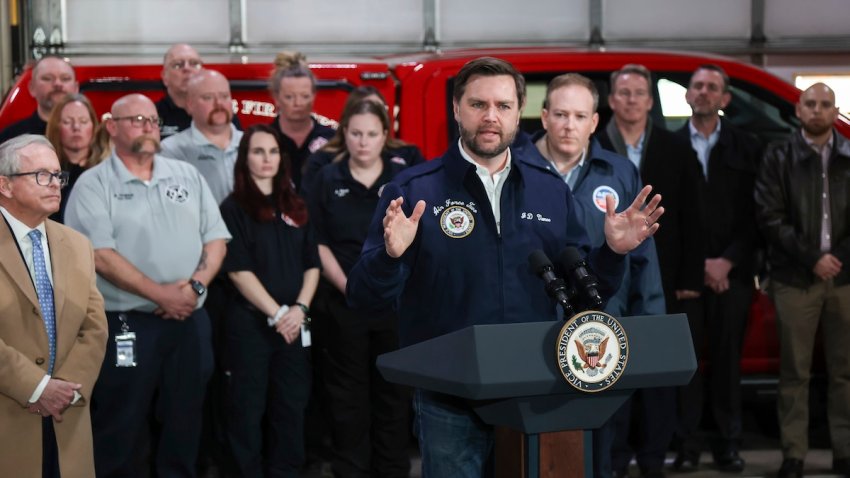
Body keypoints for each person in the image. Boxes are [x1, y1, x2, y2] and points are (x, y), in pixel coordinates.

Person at [346, 57, 663, 478]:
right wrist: (390, 257)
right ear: (456, 109)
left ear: (519, 113)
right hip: (448, 395)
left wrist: (613, 252)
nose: (491, 117)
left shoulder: (549, 190)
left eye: (503, 105)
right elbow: (364, 299)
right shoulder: (414, 191)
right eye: (478, 105)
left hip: (537, 386)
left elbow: (588, 293)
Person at [64, 93, 231, 477]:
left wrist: (195, 288)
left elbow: (217, 240)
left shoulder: (186, 175)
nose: (148, 127)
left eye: (153, 121)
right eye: (137, 119)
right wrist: (162, 295)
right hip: (127, 323)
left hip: (189, 320)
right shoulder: (94, 184)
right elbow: (100, 255)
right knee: (121, 424)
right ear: (112, 127)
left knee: (185, 420)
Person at [531, 73, 666, 478]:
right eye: (560, 114)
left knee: (603, 442)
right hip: (533, 327)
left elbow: (643, 254)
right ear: (543, 117)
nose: (569, 124)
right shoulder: (514, 169)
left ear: (594, 121)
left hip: (602, 330)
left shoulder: (619, 172)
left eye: (579, 115)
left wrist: (652, 324)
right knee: (538, 442)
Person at [596, 63, 705, 477]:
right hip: (611, 277)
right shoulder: (596, 146)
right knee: (613, 368)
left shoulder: (675, 149)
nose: (631, 100)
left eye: (639, 93)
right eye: (623, 93)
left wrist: (690, 279)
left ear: (650, 101)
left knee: (657, 371)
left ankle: (655, 456)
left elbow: (694, 218)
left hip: (665, 274)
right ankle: (617, 456)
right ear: (610, 100)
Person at [309, 99, 413, 478]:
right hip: (343, 305)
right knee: (347, 399)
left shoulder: (406, 181)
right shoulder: (327, 179)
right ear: (344, 136)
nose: (363, 142)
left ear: (385, 137)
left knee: (394, 397)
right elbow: (317, 241)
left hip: (393, 307)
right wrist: (350, 285)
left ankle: (392, 471)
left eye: (371, 134)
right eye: (355, 133)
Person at [755, 82, 850, 478]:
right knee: (795, 372)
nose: (817, 110)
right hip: (795, 278)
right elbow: (769, 215)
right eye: (810, 103)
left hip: (845, 278)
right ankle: (794, 454)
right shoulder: (778, 155)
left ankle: (844, 452)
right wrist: (814, 259)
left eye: (825, 104)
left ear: (835, 111)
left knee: (845, 371)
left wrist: (838, 259)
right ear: (798, 110)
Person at [0, 134, 108, 477]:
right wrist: (36, 387)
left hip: (67, 417)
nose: (55, 184)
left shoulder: (76, 244)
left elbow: (95, 327)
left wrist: (64, 389)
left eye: (58, 175)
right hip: (10, 414)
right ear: (5, 185)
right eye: (41, 175)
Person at [672, 64, 760, 472]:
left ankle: (728, 444)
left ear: (725, 99)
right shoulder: (670, 147)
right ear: (688, 95)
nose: (704, 92)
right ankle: (687, 447)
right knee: (685, 364)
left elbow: (757, 214)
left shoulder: (748, 147)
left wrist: (728, 261)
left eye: (713, 87)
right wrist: (697, 265)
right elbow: (668, 218)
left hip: (733, 275)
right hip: (687, 277)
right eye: (697, 86)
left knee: (728, 363)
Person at [219, 124, 320, 476]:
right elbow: (237, 270)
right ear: (245, 159)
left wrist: (300, 309)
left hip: (294, 326)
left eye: (273, 151)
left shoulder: (297, 205)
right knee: (246, 411)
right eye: (258, 151)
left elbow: (312, 263)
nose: (267, 159)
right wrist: (278, 314)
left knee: (291, 409)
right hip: (252, 325)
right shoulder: (233, 208)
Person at [301, 85, 425, 196]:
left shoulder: (409, 155)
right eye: (362, 109)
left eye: (376, 110)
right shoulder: (322, 161)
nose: (368, 115)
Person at [161, 68, 244, 204]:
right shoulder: (170, 151)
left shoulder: (255, 144)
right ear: (190, 105)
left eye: (224, 96)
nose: (219, 104)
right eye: (208, 97)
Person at [268, 50, 336, 191]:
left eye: (305, 96)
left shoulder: (332, 139)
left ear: (314, 95)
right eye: (289, 97)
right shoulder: (264, 138)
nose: (298, 103)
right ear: (276, 97)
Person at [156, 43, 241, 139]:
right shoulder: (153, 115)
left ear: (203, 72)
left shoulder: (220, 113)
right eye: (178, 65)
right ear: (164, 77)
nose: (187, 68)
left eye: (194, 63)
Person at [44, 93, 107, 221]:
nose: (76, 127)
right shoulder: (45, 172)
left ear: (93, 126)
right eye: (68, 122)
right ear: (56, 127)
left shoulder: (106, 169)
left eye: (83, 121)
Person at [0, 56, 79, 143]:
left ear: (76, 88)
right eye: (47, 78)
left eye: (65, 78)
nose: (58, 83)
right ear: (32, 88)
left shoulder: (93, 138)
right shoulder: (11, 138)